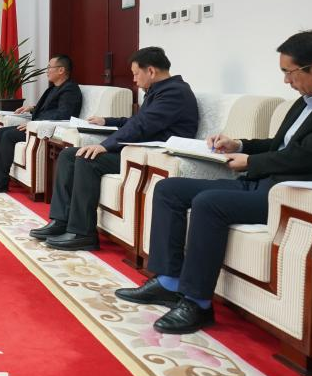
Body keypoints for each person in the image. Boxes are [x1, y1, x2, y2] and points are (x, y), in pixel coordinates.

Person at [118, 31, 312, 334]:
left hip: (294, 194)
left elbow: (310, 156)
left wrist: (251, 163)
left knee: (209, 203)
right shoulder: (305, 102)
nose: (286, 81)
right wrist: (239, 145)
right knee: (169, 190)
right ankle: (168, 282)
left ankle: (197, 302)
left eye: (289, 72)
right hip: (266, 182)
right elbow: (280, 145)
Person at [37, 46, 199, 251]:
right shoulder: (160, 91)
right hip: (138, 151)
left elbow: (142, 126)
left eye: (136, 74)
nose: (134, 80)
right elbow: (137, 120)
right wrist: (107, 121)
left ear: (150, 71)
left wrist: (104, 146)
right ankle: (60, 221)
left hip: (153, 157)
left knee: (87, 159)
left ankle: (82, 233)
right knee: (69, 155)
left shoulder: (174, 93)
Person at [0, 54, 83, 193]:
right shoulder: (54, 88)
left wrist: (35, 124)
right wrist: (32, 108)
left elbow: (63, 114)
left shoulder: (70, 89)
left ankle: (0, 182)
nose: (47, 71)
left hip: (46, 130)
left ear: (61, 70)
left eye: (49, 67)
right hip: (36, 126)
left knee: (8, 136)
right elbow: (50, 109)